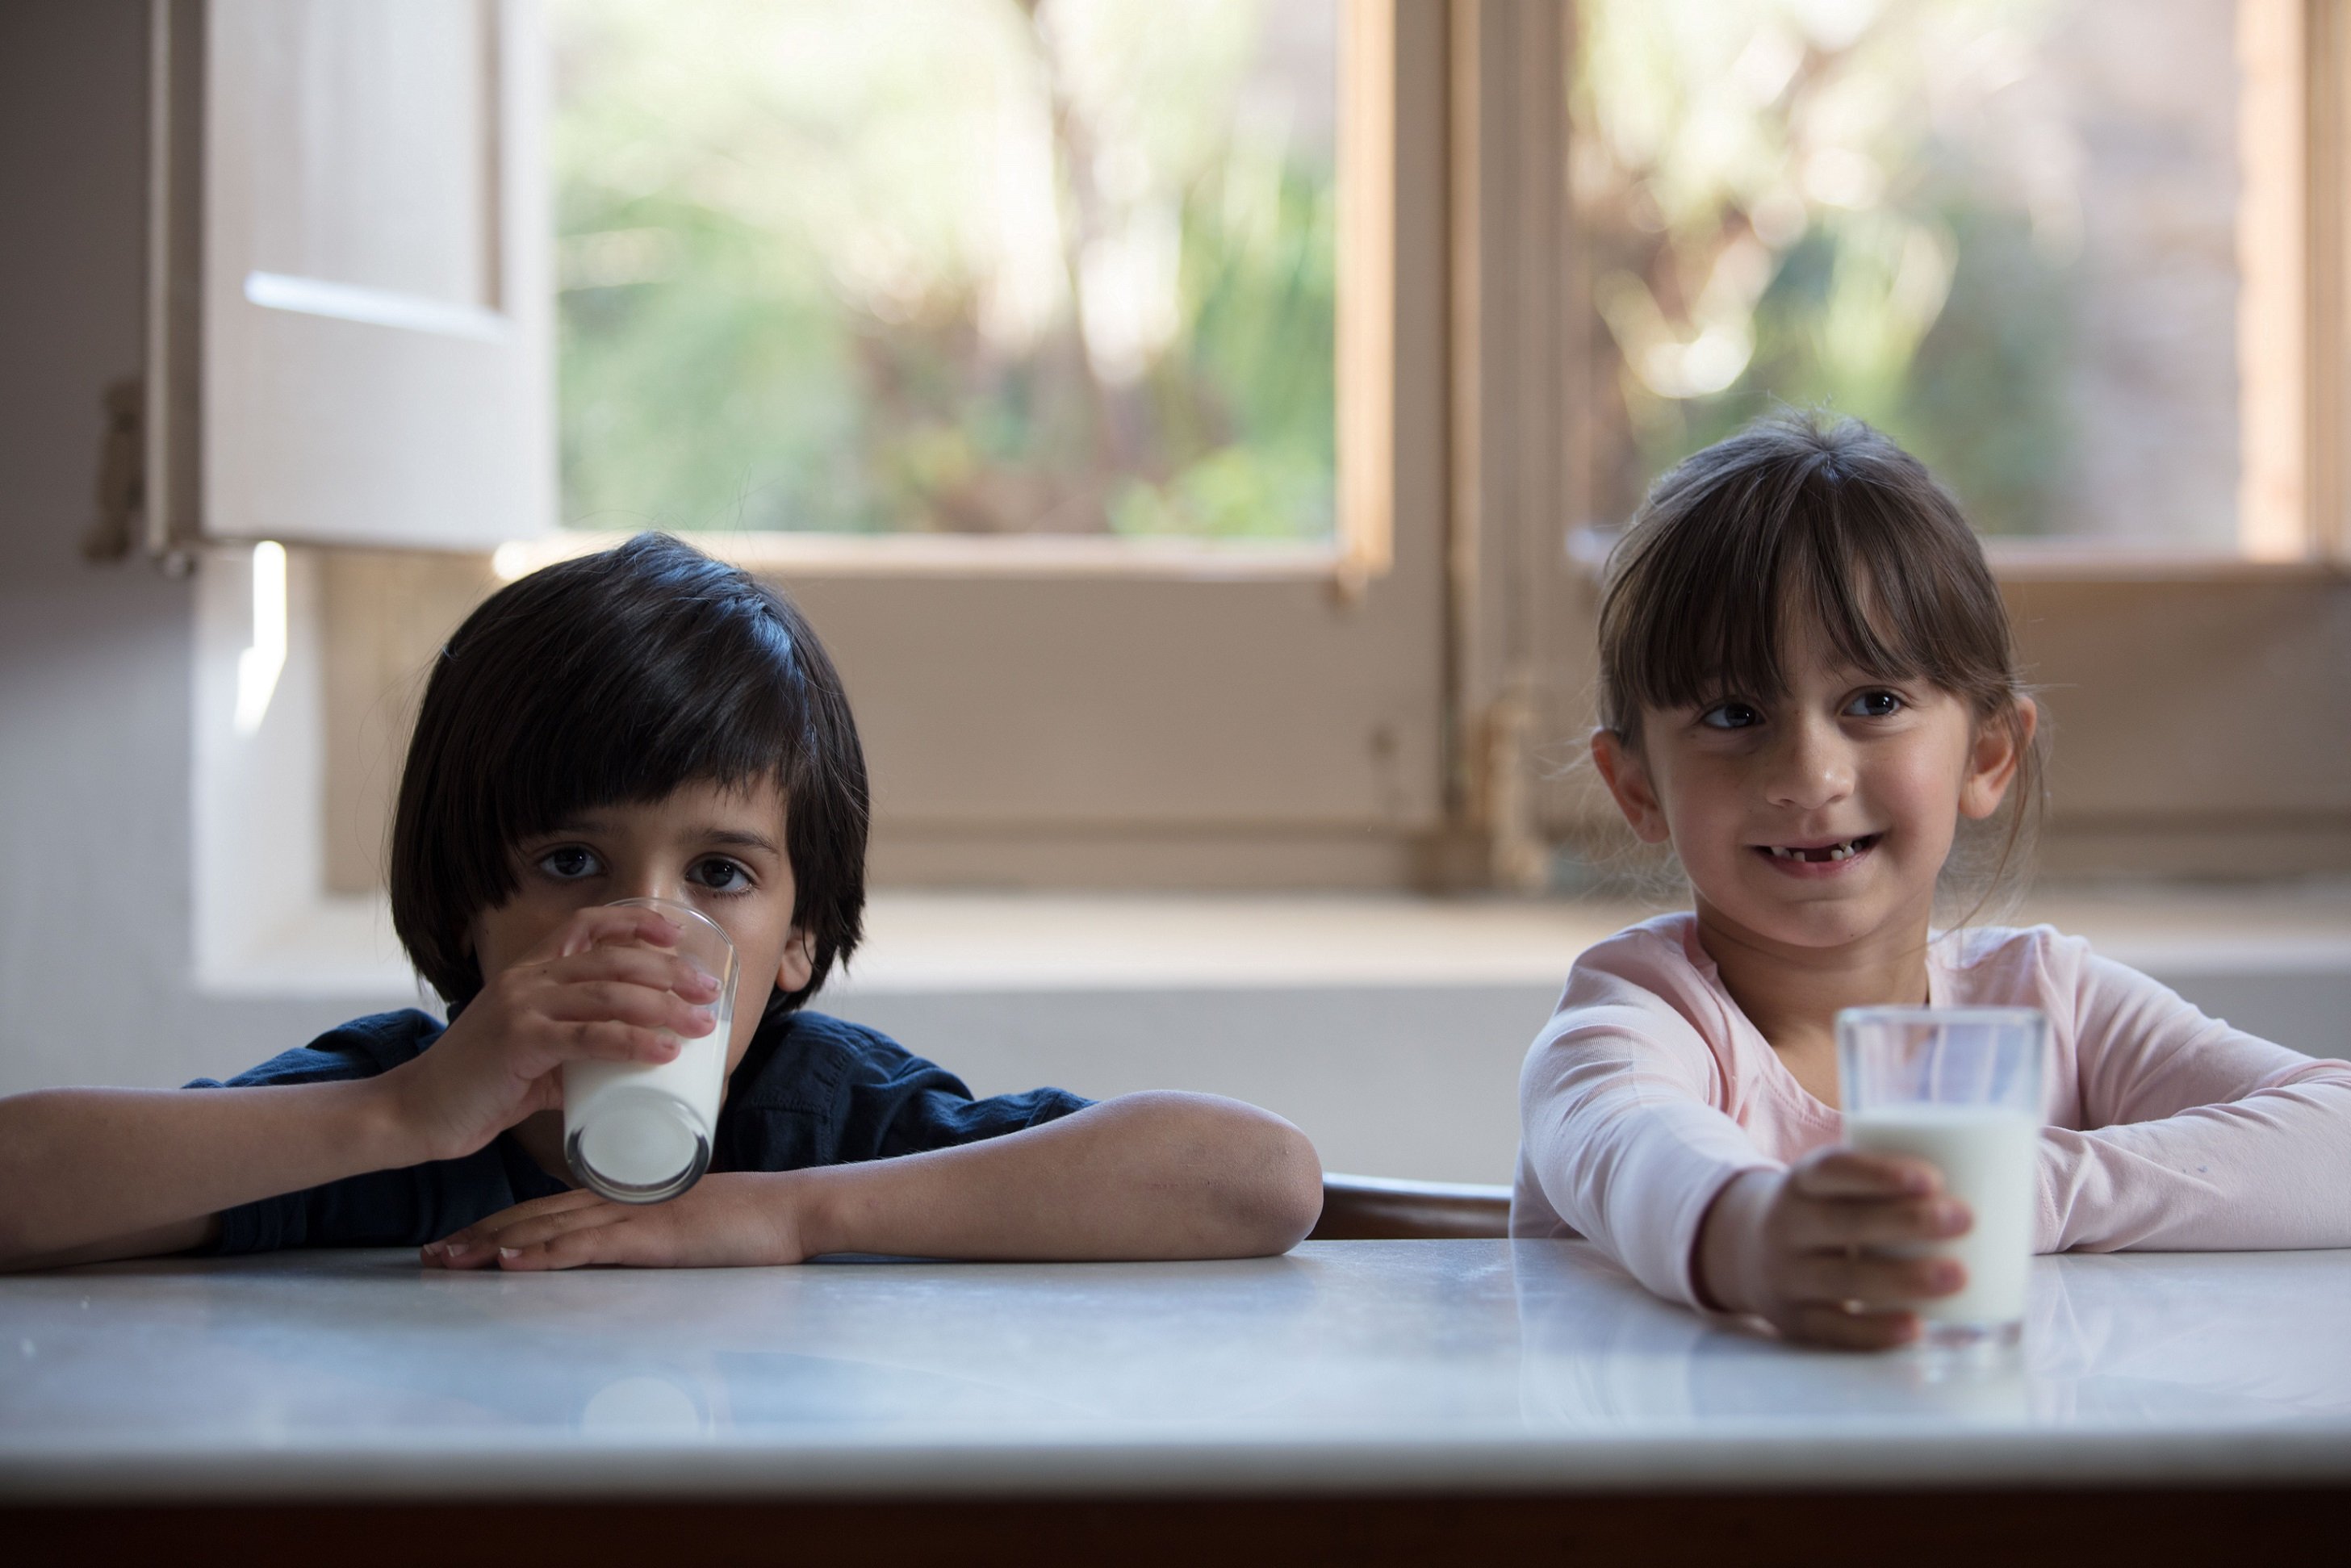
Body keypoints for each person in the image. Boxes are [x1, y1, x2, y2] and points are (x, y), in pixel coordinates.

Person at [0, 534, 1324, 1273]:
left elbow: (1257, 1178)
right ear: (468, 899)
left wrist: (781, 1212)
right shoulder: (397, 1109)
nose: (641, 922)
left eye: (720, 873)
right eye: (572, 861)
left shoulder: (825, 1119)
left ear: (799, 938)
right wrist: (395, 1115)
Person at [1513, 413, 2351, 1348]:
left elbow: (2338, 1137)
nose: (1809, 774)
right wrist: (1755, 1231)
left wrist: (2010, 1190)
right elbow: (1636, 1153)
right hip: (1710, 1492)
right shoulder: (1631, 1018)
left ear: (1987, 755)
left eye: (1872, 702)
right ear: (1638, 786)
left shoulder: (2049, 1002)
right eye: (1733, 711)